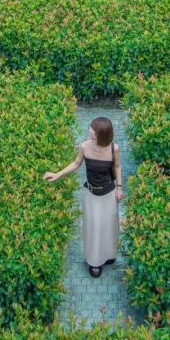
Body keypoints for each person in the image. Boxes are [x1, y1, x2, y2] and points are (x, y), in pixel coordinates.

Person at [44, 116, 122, 277]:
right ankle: (94, 261)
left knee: (108, 225)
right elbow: (76, 164)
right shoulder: (84, 147)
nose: (89, 130)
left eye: (93, 129)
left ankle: (109, 254)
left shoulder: (114, 149)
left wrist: (119, 188)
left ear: (102, 133)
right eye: (90, 127)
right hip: (91, 193)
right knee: (93, 227)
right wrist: (58, 174)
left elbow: (118, 166)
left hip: (108, 193)